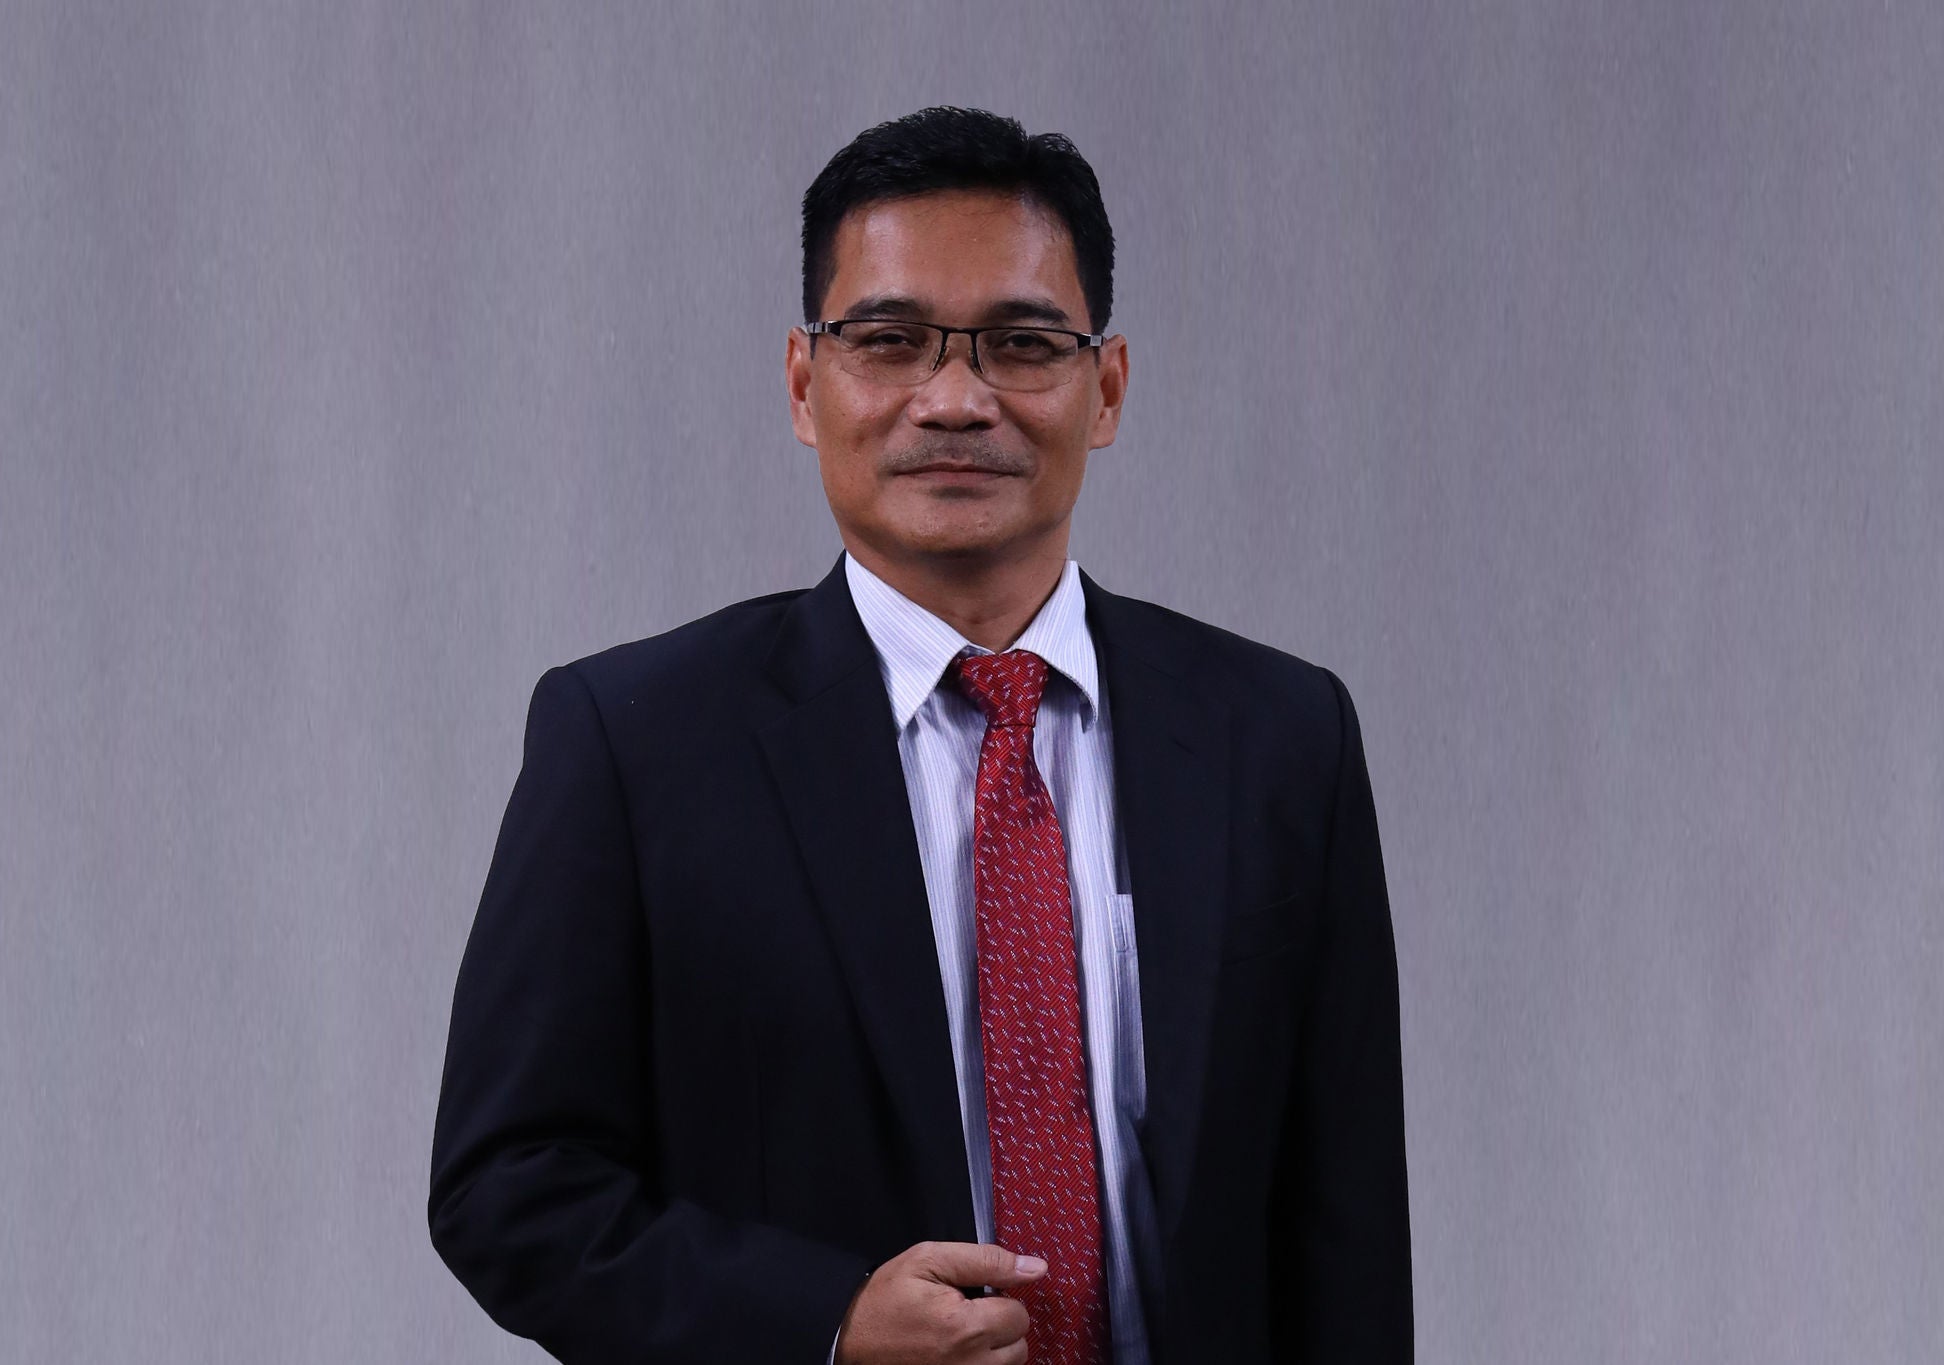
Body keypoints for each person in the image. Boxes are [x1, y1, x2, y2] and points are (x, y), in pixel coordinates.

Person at [429, 105, 1412, 1364]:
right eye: (888, 342)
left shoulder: (1279, 740)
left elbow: (1344, 1231)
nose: (954, 399)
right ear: (804, 385)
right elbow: (507, 1184)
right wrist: (826, 1325)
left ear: (1105, 389)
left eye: (1022, 344)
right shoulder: (634, 746)